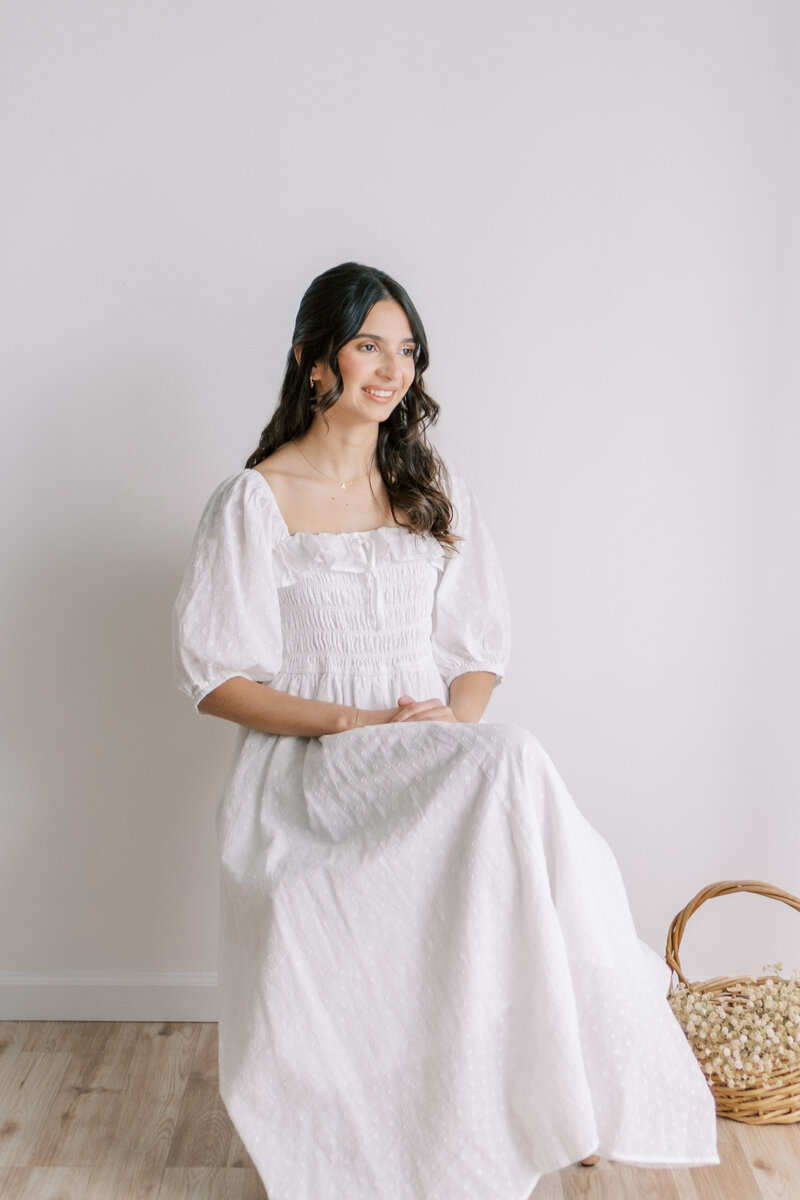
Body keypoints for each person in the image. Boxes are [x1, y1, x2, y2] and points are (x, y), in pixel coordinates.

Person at [172, 261, 720, 1199]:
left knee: (506, 762)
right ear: (315, 362)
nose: (393, 370)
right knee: (516, 769)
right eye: (369, 346)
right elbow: (214, 677)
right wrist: (352, 721)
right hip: (310, 771)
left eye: (408, 351)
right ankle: (579, 1071)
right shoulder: (254, 500)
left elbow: (477, 650)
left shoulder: (432, 485)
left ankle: (557, 1089)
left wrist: (445, 733)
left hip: (426, 753)